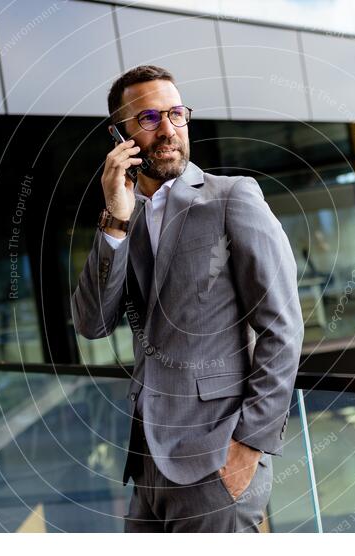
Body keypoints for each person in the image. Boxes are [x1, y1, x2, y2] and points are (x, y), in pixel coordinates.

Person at [71, 65, 303, 532]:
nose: (169, 130)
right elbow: (92, 323)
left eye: (177, 114)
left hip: (218, 457)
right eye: (150, 119)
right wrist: (115, 221)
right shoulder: (124, 215)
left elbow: (283, 328)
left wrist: (249, 447)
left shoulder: (232, 198)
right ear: (120, 135)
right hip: (147, 464)